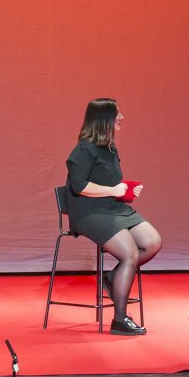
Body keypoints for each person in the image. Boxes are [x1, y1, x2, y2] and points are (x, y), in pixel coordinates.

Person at [65, 97, 162, 335]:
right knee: (129, 254)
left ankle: (112, 277)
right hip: (88, 212)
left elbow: (111, 183)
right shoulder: (83, 149)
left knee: (152, 242)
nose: (121, 117)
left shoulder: (109, 148)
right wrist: (112, 191)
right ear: (104, 119)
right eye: (117, 113)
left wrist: (127, 190)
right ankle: (119, 319)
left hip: (112, 209)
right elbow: (79, 186)